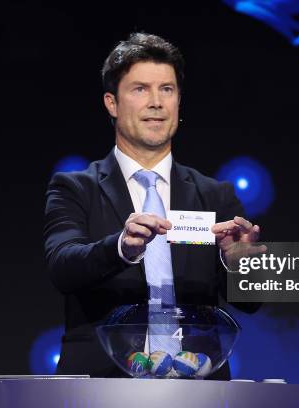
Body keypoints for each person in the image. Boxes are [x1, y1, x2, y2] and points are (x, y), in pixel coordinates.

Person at [44, 32, 261, 379]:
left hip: (198, 389)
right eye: (140, 89)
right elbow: (63, 267)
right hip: (100, 389)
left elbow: (250, 303)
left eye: (167, 89)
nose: (156, 102)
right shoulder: (75, 188)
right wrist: (121, 248)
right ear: (112, 103)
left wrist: (240, 266)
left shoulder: (216, 194)